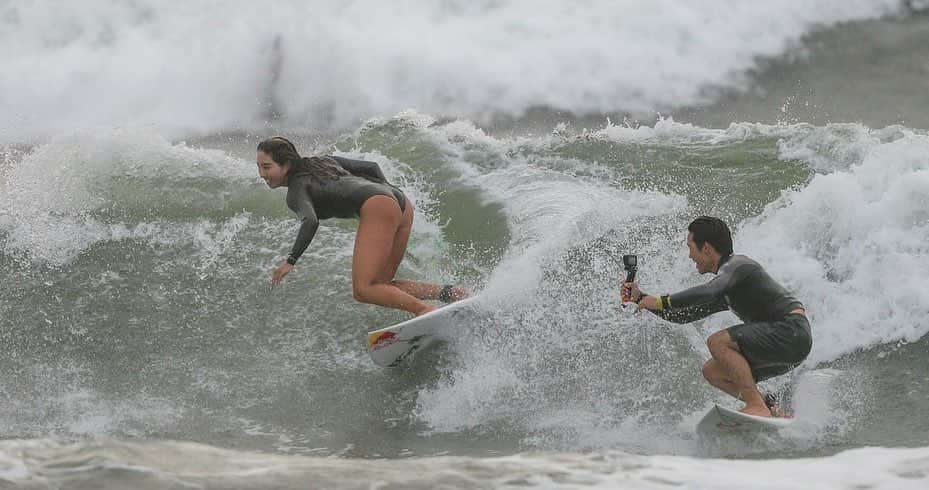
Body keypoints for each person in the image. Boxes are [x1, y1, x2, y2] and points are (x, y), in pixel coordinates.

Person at [622, 216, 812, 417]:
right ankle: (769, 407)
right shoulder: (728, 286)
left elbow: (708, 291)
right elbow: (683, 316)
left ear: (706, 248)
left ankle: (756, 406)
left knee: (717, 342)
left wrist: (660, 300)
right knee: (713, 371)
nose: (690, 256)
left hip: (791, 331)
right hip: (789, 346)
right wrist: (642, 298)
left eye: (690, 247)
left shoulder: (737, 265)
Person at [256, 136, 466, 316]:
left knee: (363, 290)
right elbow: (372, 167)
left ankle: (424, 311)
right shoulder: (324, 161)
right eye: (259, 167)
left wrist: (290, 261)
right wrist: (388, 196)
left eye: (267, 167)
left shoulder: (296, 191)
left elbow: (310, 221)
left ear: (287, 165)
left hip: (379, 206)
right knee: (380, 285)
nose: (262, 174)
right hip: (401, 202)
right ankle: (451, 293)